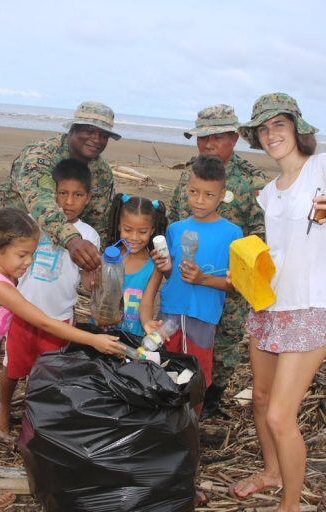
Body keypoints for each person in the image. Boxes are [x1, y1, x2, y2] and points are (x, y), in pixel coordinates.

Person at [228, 93, 326, 511]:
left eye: (279, 124)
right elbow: (278, 251)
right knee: (260, 399)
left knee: (280, 414)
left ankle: (290, 505)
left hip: (313, 305)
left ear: (297, 127)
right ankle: (272, 471)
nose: (271, 134)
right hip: (271, 303)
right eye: (263, 128)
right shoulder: (268, 193)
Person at [0, 208, 125, 508]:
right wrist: (94, 340)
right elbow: (45, 323)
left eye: (31, 254)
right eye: (22, 255)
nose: (28, 262)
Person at [169, 104, 266, 418]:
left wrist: (235, 279)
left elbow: (261, 236)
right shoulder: (189, 174)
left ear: (233, 138)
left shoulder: (252, 181)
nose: (207, 144)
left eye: (215, 137)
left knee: (222, 350)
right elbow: (173, 221)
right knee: (177, 345)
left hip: (226, 286)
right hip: (185, 285)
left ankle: (208, 405)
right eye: (201, 138)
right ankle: (178, 402)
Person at [0, 159, 100, 434]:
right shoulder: (33, 226)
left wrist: (93, 278)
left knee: (51, 376)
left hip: (60, 320)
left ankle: (37, 421)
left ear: (87, 198)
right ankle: (3, 412)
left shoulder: (88, 236)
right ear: (51, 194)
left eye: (77, 195)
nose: (68, 201)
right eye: (62, 193)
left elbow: (88, 279)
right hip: (23, 314)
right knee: (12, 368)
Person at [0, 100, 120, 273]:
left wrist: (96, 262)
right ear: (73, 129)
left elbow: (98, 221)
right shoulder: (40, 156)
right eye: (89, 131)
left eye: (104, 135)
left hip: (51, 251)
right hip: (5, 237)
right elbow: (42, 204)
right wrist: (72, 240)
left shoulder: (101, 172)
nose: (96, 139)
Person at [148, 155, 242, 389]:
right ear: (186, 190)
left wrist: (203, 279)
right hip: (170, 312)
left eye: (209, 195)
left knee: (196, 377)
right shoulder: (175, 229)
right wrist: (166, 267)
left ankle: (191, 419)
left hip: (203, 316)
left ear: (221, 196)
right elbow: (170, 275)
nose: (199, 201)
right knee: (164, 370)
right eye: (193, 192)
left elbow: (235, 285)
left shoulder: (232, 234)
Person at [104, 193, 168, 337]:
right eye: (128, 230)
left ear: (151, 231)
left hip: (133, 337)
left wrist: (147, 323)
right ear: (119, 226)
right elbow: (95, 290)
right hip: (102, 335)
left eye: (142, 232)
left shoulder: (154, 267)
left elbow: (146, 303)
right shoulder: (107, 257)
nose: (134, 237)